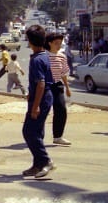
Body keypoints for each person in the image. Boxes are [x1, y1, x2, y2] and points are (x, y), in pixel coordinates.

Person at [22, 24, 55, 179]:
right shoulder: (44, 55)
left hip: (40, 99)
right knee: (37, 132)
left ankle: (45, 160)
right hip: (44, 97)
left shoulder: (36, 60)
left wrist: (35, 106)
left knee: (29, 131)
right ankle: (37, 165)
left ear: (30, 41)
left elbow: (41, 83)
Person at [46, 32, 72, 146]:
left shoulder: (62, 56)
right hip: (46, 86)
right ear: (50, 43)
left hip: (57, 86)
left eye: (60, 43)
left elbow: (63, 73)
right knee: (43, 111)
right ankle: (36, 135)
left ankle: (58, 136)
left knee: (61, 110)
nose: (58, 46)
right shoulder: (44, 56)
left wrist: (67, 87)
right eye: (56, 43)